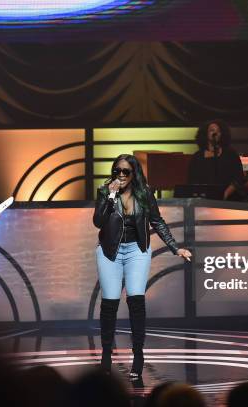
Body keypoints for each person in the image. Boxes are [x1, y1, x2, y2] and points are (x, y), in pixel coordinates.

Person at [93, 154, 192, 379]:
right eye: (117, 170)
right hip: (110, 251)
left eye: (126, 171)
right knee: (109, 303)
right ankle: (106, 357)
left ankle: (138, 356)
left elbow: (157, 221)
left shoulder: (145, 192)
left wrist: (175, 248)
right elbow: (98, 221)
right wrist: (110, 196)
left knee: (136, 300)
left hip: (137, 250)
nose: (120, 175)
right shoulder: (104, 191)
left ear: (134, 173)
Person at [187, 119, 244, 200]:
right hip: (203, 199)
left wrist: (226, 193)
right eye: (211, 130)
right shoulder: (197, 157)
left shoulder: (231, 154)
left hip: (228, 198)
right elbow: (192, 181)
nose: (215, 133)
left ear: (222, 134)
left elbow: (238, 177)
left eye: (218, 131)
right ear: (206, 134)